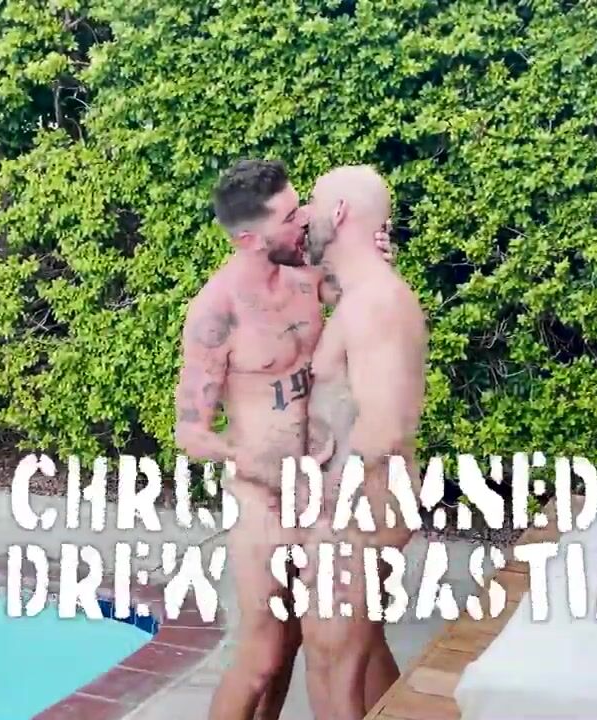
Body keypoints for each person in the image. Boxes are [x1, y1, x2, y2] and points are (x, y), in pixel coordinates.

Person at [172, 158, 391, 720]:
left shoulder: (308, 274)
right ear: (249, 238)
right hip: (262, 499)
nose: (305, 220)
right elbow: (190, 431)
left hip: (322, 492)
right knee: (263, 656)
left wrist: (374, 261)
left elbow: (367, 309)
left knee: (331, 638)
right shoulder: (216, 311)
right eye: (290, 216)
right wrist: (242, 455)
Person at [300, 164, 429, 719]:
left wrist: (330, 510)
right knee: (362, 654)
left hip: (357, 511)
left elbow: (386, 426)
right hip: (356, 507)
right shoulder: (363, 295)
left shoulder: (375, 302)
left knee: (332, 665)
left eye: (312, 204)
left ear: (338, 212)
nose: (304, 217)